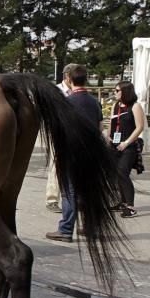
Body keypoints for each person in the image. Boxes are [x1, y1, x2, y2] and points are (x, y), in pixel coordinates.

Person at [46, 64, 102, 242]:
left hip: (71, 152)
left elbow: (59, 130)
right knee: (88, 191)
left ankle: (66, 229)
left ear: (69, 79)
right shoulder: (94, 102)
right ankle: (90, 226)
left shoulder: (67, 102)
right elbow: (100, 128)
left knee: (69, 192)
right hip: (91, 152)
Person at [108, 81, 146, 218]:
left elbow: (140, 127)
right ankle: (122, 201)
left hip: (128, 145)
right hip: (114, 143)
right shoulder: (116, 105)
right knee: (115, 174)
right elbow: (112, 123)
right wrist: (108, 137)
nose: (115, 92)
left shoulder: (135, 107)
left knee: (122, 172)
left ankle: (130, 205)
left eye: (117, 90)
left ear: (125, 91)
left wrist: (127, 142)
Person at [45, 63, 77, 213]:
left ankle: (71, 196)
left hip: (73, 133)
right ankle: (52, 198)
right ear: (67, 76)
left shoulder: (76, 91)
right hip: (58, 131)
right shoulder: (57, 91)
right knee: (55, 164)